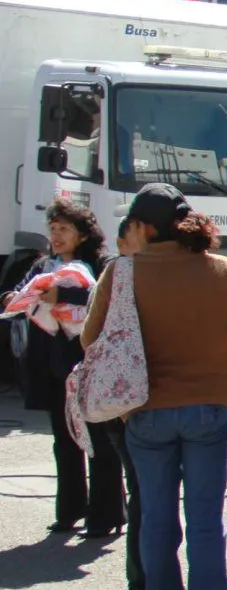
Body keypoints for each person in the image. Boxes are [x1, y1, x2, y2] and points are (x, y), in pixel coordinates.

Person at [86, 185, 227, 590]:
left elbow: (91, 339)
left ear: (145, 227)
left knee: (156, 517)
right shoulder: (222, 269)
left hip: (145, 408)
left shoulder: (121, 274)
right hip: (210, 404)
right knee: (206, 518)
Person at [2, 199, 122, 539]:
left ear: (82, 234)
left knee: (98, 438)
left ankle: (106, 515)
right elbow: (15, 295)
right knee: (64, 440)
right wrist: (17, 296)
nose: (56, 236)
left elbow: (105, 297)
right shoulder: (43, 265)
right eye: (53, 230)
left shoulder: (101, 263)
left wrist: (65, 294)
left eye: (64, 229)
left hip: (89, 363)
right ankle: (70, 511)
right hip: (53, 366)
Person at [104, 219, 147, 590]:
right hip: (128, 403)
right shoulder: (121, 272)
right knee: (145, 498)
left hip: (131, 401)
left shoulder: (127, 272)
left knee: (144, 498)